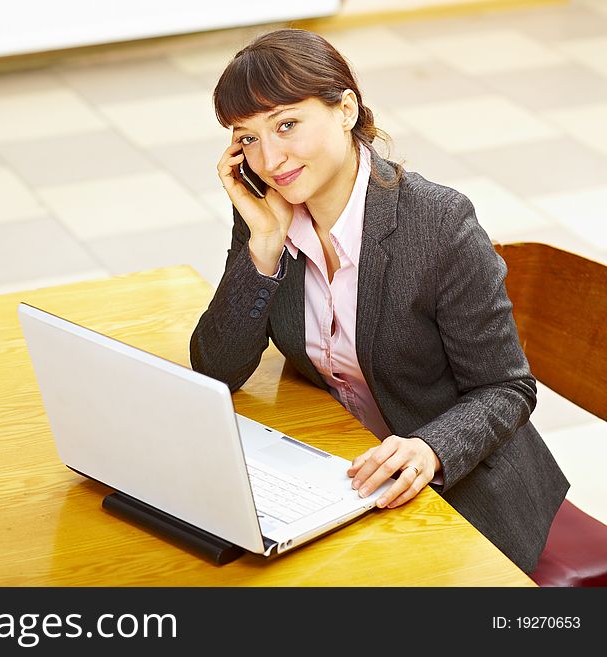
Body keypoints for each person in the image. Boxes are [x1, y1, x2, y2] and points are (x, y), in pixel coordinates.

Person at [190, 28, 569, 573]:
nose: (270, 159)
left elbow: (506, 388)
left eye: (287, 125)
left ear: (345, 109)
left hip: (459, 488)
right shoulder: (269, 212)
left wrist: (429, 448)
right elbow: (216, 369)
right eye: (246, 138)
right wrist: (265, 251)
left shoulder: (437, 223)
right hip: (342, 468)